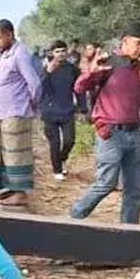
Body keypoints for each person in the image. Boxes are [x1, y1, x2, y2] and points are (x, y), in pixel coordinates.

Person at [71, 23, 140, 224]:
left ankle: (129, 232)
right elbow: (79, 87)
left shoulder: (138, 68)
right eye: (139, 43)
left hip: (134, 134)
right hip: (111, 134)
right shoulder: (108, 63)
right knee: (106, 183)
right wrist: (92, 72)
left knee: (134, 189)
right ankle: (75, 216)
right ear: (124, 41)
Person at [0, 19, 42, 206]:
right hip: (1, 112)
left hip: (15, 112)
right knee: (5, 152)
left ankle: (20, 193)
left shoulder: (20, 54)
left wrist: (30, 105)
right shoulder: (6, 54)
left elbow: (34, 84)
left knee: (16, 153)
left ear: (10, 34)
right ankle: (8, 188)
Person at [40, 40, 80, 180]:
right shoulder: (45, 69)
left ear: (67, 52)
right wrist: (47, 73)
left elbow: (79, 89)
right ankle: (57, 170)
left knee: (70, 140)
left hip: (67, 110)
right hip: (49, 111)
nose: (61, 54)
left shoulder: (72, 69)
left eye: (63, 50)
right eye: (57, 51)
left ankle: (62, 158)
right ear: (52, 53)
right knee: (54, 143)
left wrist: (83, 108)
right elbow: (39, 89)